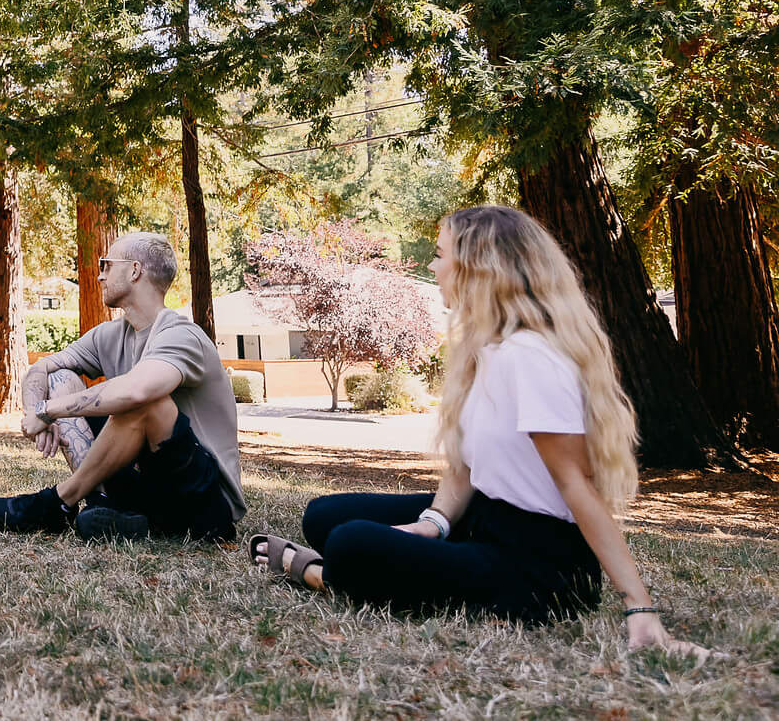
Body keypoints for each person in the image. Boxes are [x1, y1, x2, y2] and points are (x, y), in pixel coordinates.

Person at [250, 206, 710, 657]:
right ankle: (375, 561)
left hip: (539, 565)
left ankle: (315, 572)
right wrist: (433, 524)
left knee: (351, 544)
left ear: (477, 269)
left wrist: (639, 604)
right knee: (323, 516)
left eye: (439, 254)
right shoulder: (486, 351)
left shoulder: (530, 358)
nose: (432, 266)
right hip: (483, 519)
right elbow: (465, 467)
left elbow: (577, 485)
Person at [0, 230, 243, 541]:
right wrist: (36, 412)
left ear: (134, 270)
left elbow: (137, 392)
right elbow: (43, 368)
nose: (99, 276)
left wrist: (49, 411)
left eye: (106, 265)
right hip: (149, 487)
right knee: (62, 379)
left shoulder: (181, 335)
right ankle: (104, 504)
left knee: (145, 401)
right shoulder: (110, 335)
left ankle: (58, 503)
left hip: (204, 503)